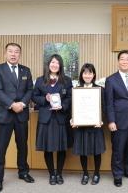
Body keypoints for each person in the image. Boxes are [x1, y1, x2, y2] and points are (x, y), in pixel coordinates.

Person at [0, 43, 34, 192]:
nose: (13, 54)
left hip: (21, 114)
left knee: (22, 147)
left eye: (16, 52)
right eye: (10, 51)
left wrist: (22, 103)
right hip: (5, 115)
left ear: (20, 54)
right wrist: (11, 104)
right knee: (1, 149)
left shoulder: (26, 70)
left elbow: (30, 89)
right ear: (5, 53)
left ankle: (23, 172)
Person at [32, 54, 72, 185]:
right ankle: (51, 174)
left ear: (60, 65)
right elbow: (34, 96)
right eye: (52, 62)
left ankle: (59, 173)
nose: (54, 65)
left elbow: (70, 98)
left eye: (57, 63)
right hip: (46, 118)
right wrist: (45, 99)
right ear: (48, 64)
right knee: (47, 148)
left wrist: (63, 106)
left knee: (61, 148)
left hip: (61, 117)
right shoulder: (40, 80)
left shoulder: (66, 80)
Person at [105, 50, 128, 187]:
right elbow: (109, 102)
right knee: (118, 149)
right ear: (118, 61)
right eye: (122, 59)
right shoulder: (111, 80)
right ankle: (118, 174)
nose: (125, 61)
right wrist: (111, 120)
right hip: (118, 120)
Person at [70, 63, 106, 185]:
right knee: (83, 151)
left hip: (96, 125)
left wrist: (101, 120)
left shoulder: (100, 89)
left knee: (97, 151)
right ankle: (85, 173)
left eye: (90, 73)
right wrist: (73, 119)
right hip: (81, 126)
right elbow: (72, 107)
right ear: (81, 75)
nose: (87, 75)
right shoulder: (76, 90)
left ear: (94, 74)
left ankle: (96, 173)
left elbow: (104, 108)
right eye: (85, 73)